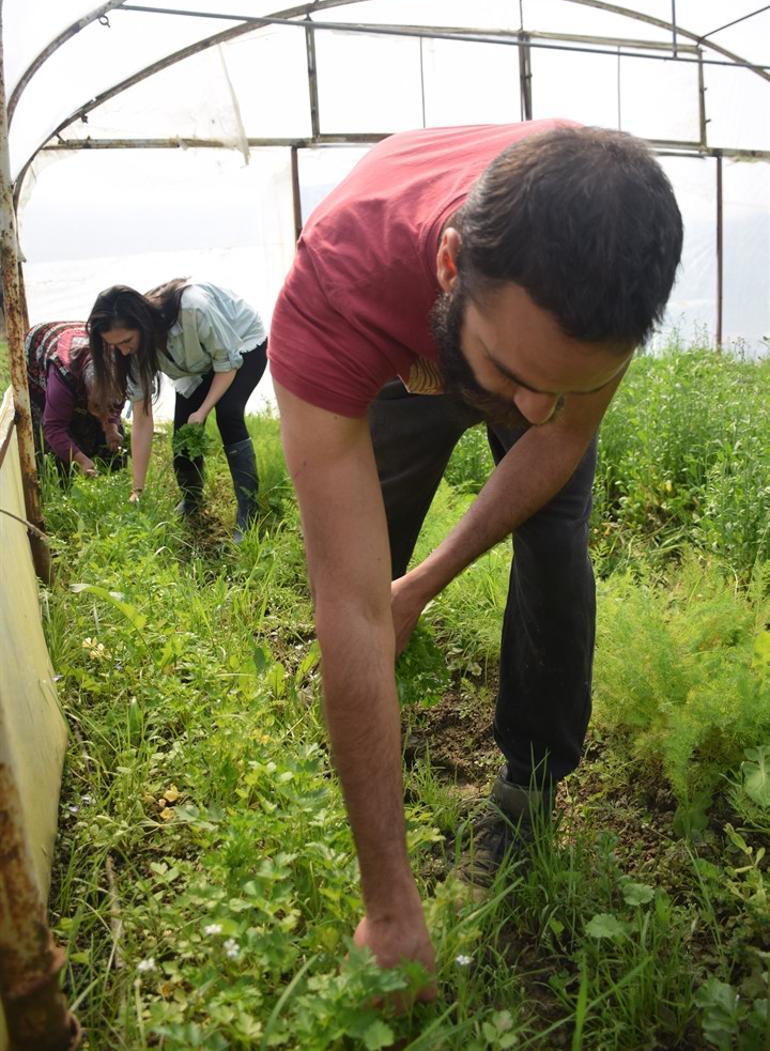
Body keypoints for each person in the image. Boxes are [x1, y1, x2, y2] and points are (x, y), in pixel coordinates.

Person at [267, 120, 684, 999]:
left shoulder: (609, 272)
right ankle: (367, 764)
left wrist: (420, 587)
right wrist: (388, 908)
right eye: (515, 374)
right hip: (401, 340)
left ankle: (530, 784)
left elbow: (554, 432)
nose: (531, 412)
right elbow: (347, 599)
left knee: (555, 543)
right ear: (452, 263)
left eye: (564, 384)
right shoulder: (336, 285)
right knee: (363, 576)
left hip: (499, 329)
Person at [87, 280, 268, 538]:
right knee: (184, 429)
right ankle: (192, 499)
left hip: (240, 344)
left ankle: (248, 509)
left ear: (142, 324)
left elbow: (226, 363)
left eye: (126, 341)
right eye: (115, 346)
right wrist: (137, 490)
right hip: (197, 363)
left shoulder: (194, 309)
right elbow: (141, 417)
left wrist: (204, 410)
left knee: (228, 413)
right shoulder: (131, 351)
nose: (123, 351)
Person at [24, 320, 125, 477]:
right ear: (86, 392)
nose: (103, 414)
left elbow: (116, 404)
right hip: (39, 346)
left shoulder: (119, 371)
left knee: (107, 430)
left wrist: (111, 427)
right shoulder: (62, 380)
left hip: (79, 337)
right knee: (60, 430)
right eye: (97, 406)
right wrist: (81, 460)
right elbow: (53, 427)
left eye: (109, 406)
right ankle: (65, 479)